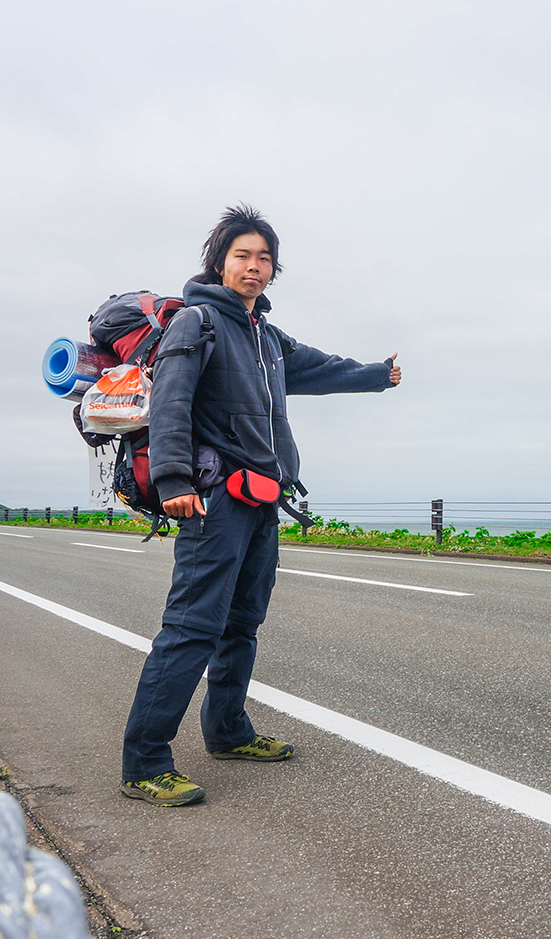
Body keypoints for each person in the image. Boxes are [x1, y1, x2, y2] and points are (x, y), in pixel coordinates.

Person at [121, 204, 401, 806]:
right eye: (243, 255)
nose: (254, 266)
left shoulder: (266, 337)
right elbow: (170, 402)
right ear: (219, 261)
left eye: (264, 257)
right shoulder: (197, 323)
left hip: (262, 501)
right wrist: (173, 481)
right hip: (211, 499)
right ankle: (144, 763)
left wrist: (376, 374)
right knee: (192, 627)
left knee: (242, 623)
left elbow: (322, 368)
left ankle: (227, 731)